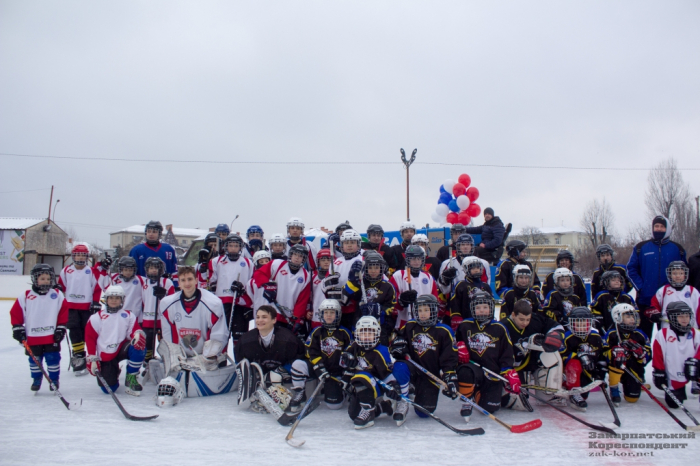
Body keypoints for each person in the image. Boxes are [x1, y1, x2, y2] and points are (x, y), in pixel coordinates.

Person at [454, 290, 518, 422]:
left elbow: (507, 352)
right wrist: (459, 347)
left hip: (492, 372)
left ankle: (477, 392)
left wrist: (508, 370)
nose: (481, 311)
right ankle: (467, 399)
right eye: (478, 308)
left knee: (489, 407)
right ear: (472, 309)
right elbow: (455, 343)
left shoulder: (499, 328)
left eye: (485, 307)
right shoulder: (465, 326)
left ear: (491, 308)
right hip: (473, 368)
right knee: (465, 372)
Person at [390, 294, 459, 417]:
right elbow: (397, 343)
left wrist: (449, 376)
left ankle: (417, 389)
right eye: (420, 310)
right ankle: (404, 398)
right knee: (399, 366)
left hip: (430, 375)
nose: (422, 314)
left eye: (426, 310)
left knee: (423, 413)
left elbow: (449, 357)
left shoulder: (444, 331)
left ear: (434, 310)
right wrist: (397, 348)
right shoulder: (410, 325)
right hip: (412, 370)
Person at [340, 315, 411, 429]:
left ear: (377, 334)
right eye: (363, 333)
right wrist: (346, 359)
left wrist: (392, 387)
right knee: (354, 414)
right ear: (357, 334)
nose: (366, 337)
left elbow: (386, 374)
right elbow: (342, 360)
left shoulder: (381, 351)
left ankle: (368, 412)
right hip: (363, 387)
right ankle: (383, 407)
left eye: (370, 333)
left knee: (361, 376)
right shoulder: (354, 346)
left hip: (377, 386)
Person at [10, 264, 69, 391]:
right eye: (42, 279)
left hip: (51, 336)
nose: (46, 281)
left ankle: (54, 380)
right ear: (35, 279)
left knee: (53, 359)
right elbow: (16, 313)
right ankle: (36, 378)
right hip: (33, 336)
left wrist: (61, 328)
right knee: (34, 360)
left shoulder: (57, 295)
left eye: (48, 279)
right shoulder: (25, 295)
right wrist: (17, 328)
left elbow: (63, 312)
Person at [627, 215, 687, 338]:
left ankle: (667, 358)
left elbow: (685, 271)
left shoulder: (677, 249)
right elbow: (631, 269)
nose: (659, 229)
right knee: (643, 338)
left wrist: (676, 290)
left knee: (670, 337)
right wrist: (641, 287)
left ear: (667, 229)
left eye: (662, 226)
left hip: (669, 302)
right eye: (656, 226)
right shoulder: (641, 248)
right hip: (645, 301)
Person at [499, 299, 564, 411]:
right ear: (513, 315)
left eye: (527, 319)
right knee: (519, 398)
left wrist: (555, 335)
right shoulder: (502, 327)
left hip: (529, 361)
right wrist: (506, 371)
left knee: (551, 352)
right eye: (521, 319)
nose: (525, 323)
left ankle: (547, 390)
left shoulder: (535, 320)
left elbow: (556, 326)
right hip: (510, 368)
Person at [289, 299, 352, 412]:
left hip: (335, 373)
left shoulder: (345, 333)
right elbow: (310, 351)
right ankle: (300, 393)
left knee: (334, 405)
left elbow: (350, 355)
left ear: (338, 314)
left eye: (332, 313)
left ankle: (339, 391)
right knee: (298, 364)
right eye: (326, 312)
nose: (328, 315)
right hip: (318, 368)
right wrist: (319, 368)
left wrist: (344, 375)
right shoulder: (316, 332)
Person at [159, 266, 229, 366]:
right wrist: (174, 356)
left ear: (196, 280)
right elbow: (168, 334)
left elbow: (219, 335)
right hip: (181, 358)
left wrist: (208, 357)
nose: (187, 283)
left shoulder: (213, 304)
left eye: (190, 279)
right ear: (179, 283)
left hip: (206, 359)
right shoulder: (167, 304)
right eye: (183, 280)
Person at [85, 285, 147, 396]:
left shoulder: (128, 315)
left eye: (117, 298)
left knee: (139, 346)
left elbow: (134, 329)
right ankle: (114, 371)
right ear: (106, 299)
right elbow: (90, 339)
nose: (114, 300)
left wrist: (138, 334)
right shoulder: (96, 318)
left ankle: (131, 378)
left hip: (122, 348)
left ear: (122, 300)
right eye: (111, 298)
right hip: (106, 354)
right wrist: (92, 358)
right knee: (109, 389)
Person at [58, 243, 107, 375]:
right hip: (71, 306)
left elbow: (96, 287)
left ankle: (91, 356)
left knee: (88, 332)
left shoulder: (91, 271)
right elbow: (61, 287)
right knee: (74, 331)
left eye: (83, 255)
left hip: (87, 307)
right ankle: (78, 356)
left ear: (87, 257)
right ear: (73, 256)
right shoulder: (66, 270)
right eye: (77, 254)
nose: (80, 257)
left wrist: (96, 302)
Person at [200, 233, 254, 343]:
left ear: (240, 247)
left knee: (240, 338)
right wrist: (203, 266)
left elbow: (252, 284)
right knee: (220, 336)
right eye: (231, 245)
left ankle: (239, 359)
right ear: (226, 246)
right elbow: (208, 280)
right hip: (221, 304)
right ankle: (221, 359)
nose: (233, 248)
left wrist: (243, 289)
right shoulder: (216, 261)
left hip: (240, 304)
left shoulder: (248, 263)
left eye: (236, 246)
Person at [235, 305, 305, 390]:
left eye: (264, 317)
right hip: (259, 375)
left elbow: (299, 358)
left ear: (274, 320)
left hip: (283, 376)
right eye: (257, 317)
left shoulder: (288, 339)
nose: (260, 320)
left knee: (274, 378)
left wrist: (284, 370)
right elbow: (239, 360)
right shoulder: (245, 340)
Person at [651, 301, 700, 408]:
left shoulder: (695, 333)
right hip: (674, 373)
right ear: (672, 318)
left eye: (687, 316)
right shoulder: (663, 334)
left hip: (694, 369)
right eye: (681, 316)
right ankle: (678, 390)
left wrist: (696, 361)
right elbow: (658, 355)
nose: (685, 319)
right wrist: (659, 371)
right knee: (674, 404)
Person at [252, 244, 312, 329]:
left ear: (304, 259)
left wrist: (297, 318)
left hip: (288, 316)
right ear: (290, 255)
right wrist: (267, 286)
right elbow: (259, 273)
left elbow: (302, 300)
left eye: (300, 256)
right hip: (272, 313)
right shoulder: (277, 264)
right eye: (295, 254)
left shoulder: (306, 276)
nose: (297, 258)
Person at [343, 251, 396, 344]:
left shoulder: (387, 286)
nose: (373, 271)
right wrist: (352, 278)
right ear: (365, 269)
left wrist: (379, 309)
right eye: (370, 268)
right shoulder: (360, 282)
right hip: (360, 323)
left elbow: (392, 307)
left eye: (376, 268)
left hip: (380, 326)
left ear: (382, 268)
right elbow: (347, 293)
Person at [603, 304, 651, 407]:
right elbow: (603, 352)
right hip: (617, 367)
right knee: (618, 353)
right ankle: (614, 387)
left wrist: (641, 354)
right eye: (628, 316)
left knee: (632, 398)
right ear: (618, 317)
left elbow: (648, 355)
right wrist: (614, 352)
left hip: (633, 368)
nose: (632, 319)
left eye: (633, 316)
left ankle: (637, 382)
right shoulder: (612, 333)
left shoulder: (640, 334)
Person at [559, 307, 605, 411]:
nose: (581, 328)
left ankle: (573, 389)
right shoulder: (567, 337)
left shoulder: (595, 336)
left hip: (587, 371)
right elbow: (562, 355)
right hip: (568, 371)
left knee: (584, 396)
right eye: (578, 325)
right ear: (571, 324)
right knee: (574, 363)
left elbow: (601, 354)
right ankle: (573, 391)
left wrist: (600, 370)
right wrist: (578, 355)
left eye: (584, 324)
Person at [390, 245, 438, 330]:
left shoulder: (428, 277)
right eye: (413, 259)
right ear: (408, 260)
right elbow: (391, 297)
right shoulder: (398, 275)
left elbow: (434, 298)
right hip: (404, 321)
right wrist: (401, 301)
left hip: (425, 321)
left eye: (419, 259)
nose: (416, 261)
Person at [646, 261, 700, 331]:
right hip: (668, 328)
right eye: (674, 273)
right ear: (669, 275)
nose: (678, 276)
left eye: (681, 273)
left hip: (690, 329)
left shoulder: (693, 291)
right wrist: (654, 313)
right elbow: (654, 305)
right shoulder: (663, 291)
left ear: (685, 274)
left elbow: (698, 310)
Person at [141, 257, 175, 364]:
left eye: (157, 268)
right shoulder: (144, 282)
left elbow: (173, 300)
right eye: (151, 268)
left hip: (162, 320)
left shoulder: (166, 282)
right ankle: (148, 363)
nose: (154, 270)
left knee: (164, 343)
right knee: (148, 343)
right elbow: (142, 300)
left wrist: (163, 296)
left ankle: (166, 361)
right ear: (147, 269)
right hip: (147, 319)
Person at [437, 233, 490, 300]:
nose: (465, 247)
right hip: (455, 302)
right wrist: (445, 280)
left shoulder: (483, 263)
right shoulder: (447, 263)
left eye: (468, 244)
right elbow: (444, 290)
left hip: (476, 302)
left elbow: (485, 287)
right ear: (458, 246)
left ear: (472, 246)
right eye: (462, 244)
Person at [128, 220, 179, 287]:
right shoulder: (136, 250)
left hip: (164, 288)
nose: (151, 234)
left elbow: (174, 271)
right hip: (142, 288)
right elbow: (131, 273)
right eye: (149, 231)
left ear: (159, 234)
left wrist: (175, 286)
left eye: (154, 232)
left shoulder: (169, 249)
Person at [449, 256, 493, 330]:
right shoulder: (460, 285)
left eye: (478, 268)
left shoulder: (485, 286)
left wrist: (490, 317)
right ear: (466, 269)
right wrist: (456, 318)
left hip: (483, 319)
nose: (476, 270)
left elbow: (491, 304)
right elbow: (455, 304)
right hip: (466, 320)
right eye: (473, 268)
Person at [108, 256, 146, 321]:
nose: (128, 272)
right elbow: (101, 277)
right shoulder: (114, 278)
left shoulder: (140, 280)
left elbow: (153, 284)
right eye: (125, 270)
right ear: (121, 269)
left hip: (135, 316)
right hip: (117, 315)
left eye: (130, 270)